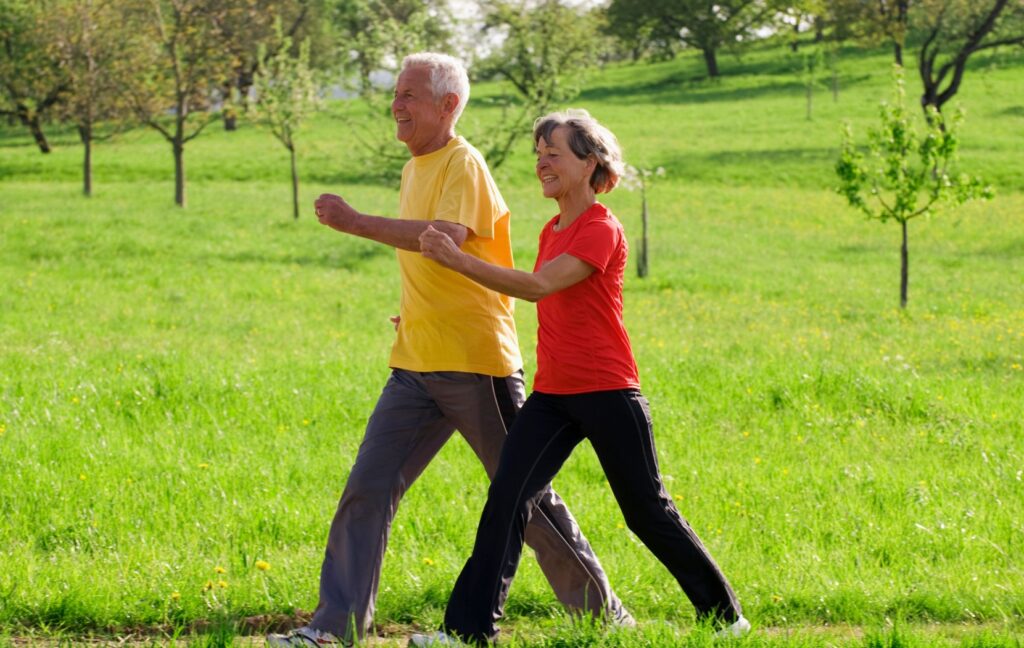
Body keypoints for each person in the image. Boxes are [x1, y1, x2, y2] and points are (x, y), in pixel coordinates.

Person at [265, 54, 631, 647]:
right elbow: (433, 260)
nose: (397, 106)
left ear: (448, 106)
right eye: (396, 94)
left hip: (475, 363)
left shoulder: (465, 163)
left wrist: (356, 222)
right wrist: (416, 310)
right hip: (414, 360)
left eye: (410, 95)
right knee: (369, 487)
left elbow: (445, 239)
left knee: (524, 497)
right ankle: (334, 628)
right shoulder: (416, 167)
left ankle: (602, 613)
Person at [411, 109, 751, 646]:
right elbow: (524, 289)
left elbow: (539, 286)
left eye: (555, 152)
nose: (542, 161)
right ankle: (468, 631)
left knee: (646, 511)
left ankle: (726, 617)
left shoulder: (600, 228)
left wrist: (455, 260)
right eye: (538, 153)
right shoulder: (552, 228)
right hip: (553, 395)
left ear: (590, 162)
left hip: (608, 391)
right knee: (506, 501)